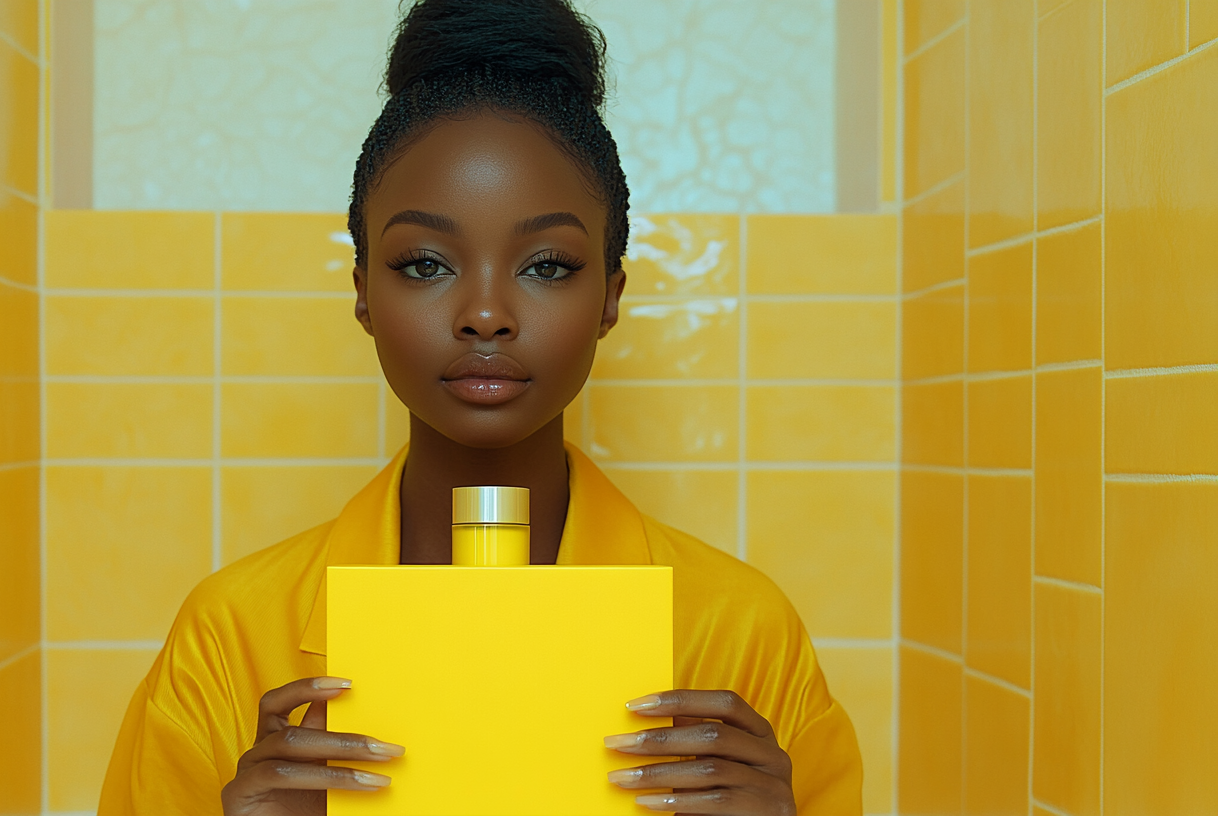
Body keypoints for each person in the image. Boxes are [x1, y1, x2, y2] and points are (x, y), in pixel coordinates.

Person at [99, 1, 862, 813]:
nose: (486, 312)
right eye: (426, 263)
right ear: (362, 293)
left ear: (611, 296)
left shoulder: (741, 633)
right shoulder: (229, 639)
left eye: (549, 265)